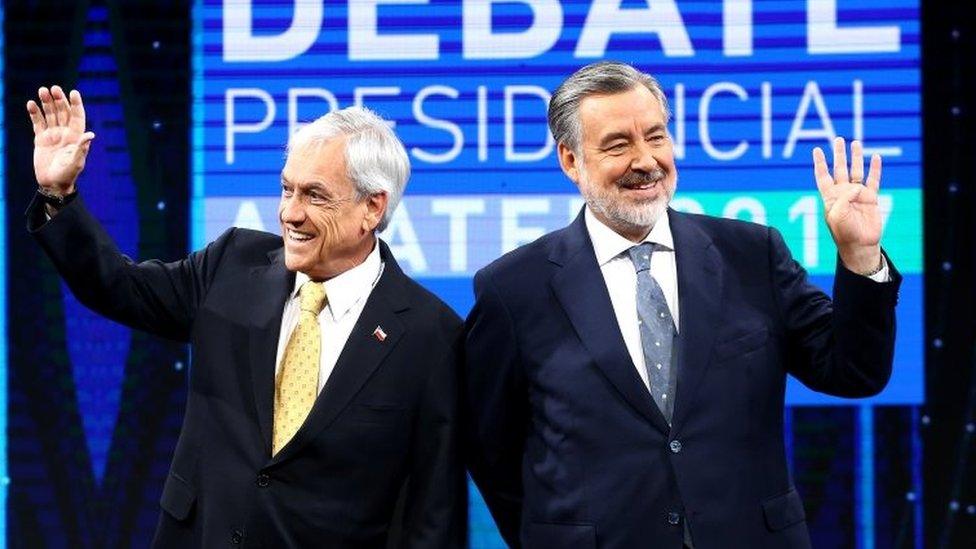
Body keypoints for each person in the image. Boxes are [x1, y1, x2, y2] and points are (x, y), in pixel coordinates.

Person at [463, 61, 900, 548]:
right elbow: (489, 447)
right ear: (570, 161)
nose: (645, 160)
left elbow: (854, 371)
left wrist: (860, 257)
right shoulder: (514, 288)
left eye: (655, 136)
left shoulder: (752, 254)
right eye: (617, 144)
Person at [26, 85, 466, 548]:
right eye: (286, 188)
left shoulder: (427, 333)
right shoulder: (232, 265)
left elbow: (431, 509)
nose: (289, 213)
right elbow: (118, 287)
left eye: (314, 195)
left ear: (372, 207)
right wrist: (58, 194)